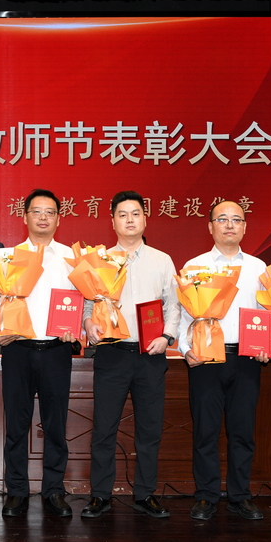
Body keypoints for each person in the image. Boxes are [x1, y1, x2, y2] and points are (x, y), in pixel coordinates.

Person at [81, 191, 180, 519]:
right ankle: (100, 494)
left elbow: (174, 305)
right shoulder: (100, 260)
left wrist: (167, 336)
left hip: (150, 354)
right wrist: (87, 324)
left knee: (149, 430)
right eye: (122, 214)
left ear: (145, 218)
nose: (129, 220)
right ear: (112, 221)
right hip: (112, 354)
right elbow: (88, 304)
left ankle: (145, 493)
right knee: (104, 428)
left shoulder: (162, 260)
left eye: (135, 213)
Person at [178, 201, 270, 521]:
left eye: (236, 220)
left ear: (244, 226)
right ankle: (206, 495)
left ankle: (240, 496)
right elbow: (184, 315)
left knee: (242, 432)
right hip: (206, 358)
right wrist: (184, 348)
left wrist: (268, 345)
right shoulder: (194, 266)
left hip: (246, 357)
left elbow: (270, 314)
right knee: (205, 431)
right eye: (222, 219)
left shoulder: (259, 269)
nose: (229, 225)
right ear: (210, 226)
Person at [0, 189, 79, 518]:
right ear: (25, 216)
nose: (43, 217)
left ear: (58, 218)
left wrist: (79, 329)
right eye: (36, 211)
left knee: (56, 424)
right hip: (18, 349)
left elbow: (83, 303)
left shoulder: (71, 258)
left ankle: (53, 489)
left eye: (50, 212)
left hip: (57, 350)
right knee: (17, 424)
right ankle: (16, 490)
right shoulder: (9, 257)